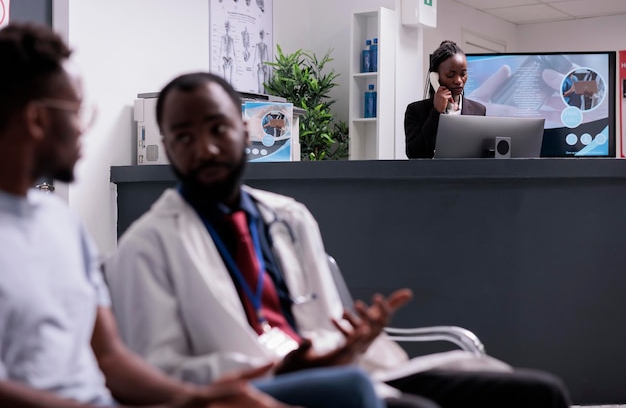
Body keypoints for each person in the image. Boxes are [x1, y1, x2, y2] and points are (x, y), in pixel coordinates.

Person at [105, 71, 571, 408]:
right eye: (183, 136)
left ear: (244, 130)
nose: (203, 147)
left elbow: (323, 322)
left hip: (338, 370)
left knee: (537, 394)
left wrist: (352, 342)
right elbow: (158, 372)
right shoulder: (147, 245)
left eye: (217, 129)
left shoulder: (288, 216)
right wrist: (284, 368)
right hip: (250, 389)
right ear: (166, 147)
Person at [0, 22, 385, 408]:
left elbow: (111, 359)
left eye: (219, 129)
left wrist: (201, 398)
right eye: (78, 111)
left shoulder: (61, 223)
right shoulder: (147, 242)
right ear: (37, 120)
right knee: (351, 392)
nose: (85, 129)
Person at [404, 40, 486, 159]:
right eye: (450, 75)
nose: (458, 80)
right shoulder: (416, 111)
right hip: (433, 176)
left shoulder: (479, 110)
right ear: (435, 77)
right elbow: (414, 154)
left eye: (463, 74)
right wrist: (436, 112)